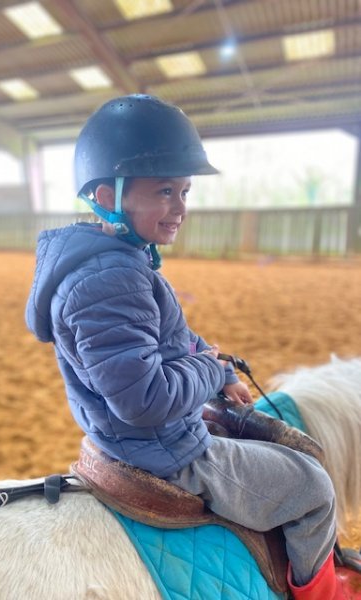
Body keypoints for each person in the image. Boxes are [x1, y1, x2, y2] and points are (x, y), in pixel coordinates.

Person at [25, 94, 347, 599]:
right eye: (164, 191)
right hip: (167, 453)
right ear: (108, 195)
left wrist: (222, 372)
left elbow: (171, 338)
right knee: (313, 487)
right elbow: (144, 400)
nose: (179, 208)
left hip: (136, 440)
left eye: (184, 192)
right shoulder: (110, 278)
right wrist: (208, 368)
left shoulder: (120, 262)